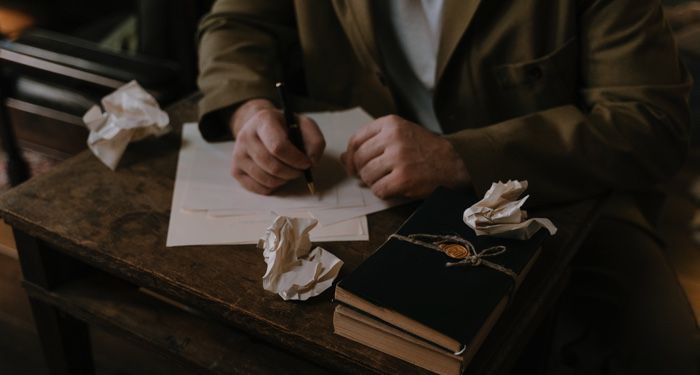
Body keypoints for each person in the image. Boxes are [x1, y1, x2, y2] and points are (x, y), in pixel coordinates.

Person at [196, 0, 698, 373]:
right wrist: (250, 110)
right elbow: (236, 22)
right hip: (356, 193)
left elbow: (651, 122)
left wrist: (463, 156)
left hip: (553, 198)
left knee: (664, 348)